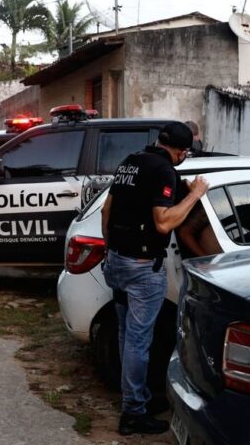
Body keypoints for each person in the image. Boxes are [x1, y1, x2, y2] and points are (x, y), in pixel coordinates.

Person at [101, 122, 209, 436]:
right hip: (141, 267)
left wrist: (111, 250)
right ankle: (133, 412)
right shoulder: (163, 171)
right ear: (181, 150)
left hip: (117, 261)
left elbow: (107, 210)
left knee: (125, 335)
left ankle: (134, 399)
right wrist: (195, 195)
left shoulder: (130, 162)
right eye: (185, 152)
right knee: (138, 341)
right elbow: (163, 224)